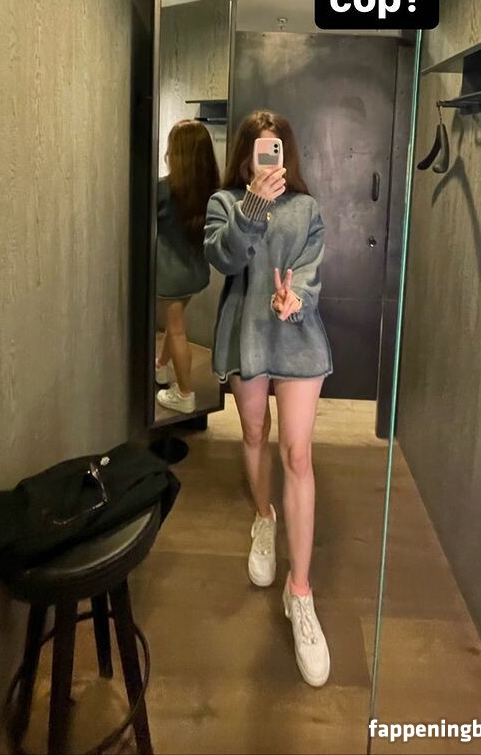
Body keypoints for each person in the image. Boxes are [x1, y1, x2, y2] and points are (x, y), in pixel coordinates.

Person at [204, 109, 332, 687]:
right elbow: (224, 259)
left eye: (275, 149)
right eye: (259, 149)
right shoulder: (225, 203)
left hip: (296, 333)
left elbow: (311, 268)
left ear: (287, 153)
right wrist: (252, 206)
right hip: (246, 332)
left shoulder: (306, 208)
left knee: (298, 454)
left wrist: (295, 297)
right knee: (254, 431)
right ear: (245, 155)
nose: (268, 158)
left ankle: (299, 591)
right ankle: (264, 517)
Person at [156, 120, 220, 415]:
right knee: (176, 324)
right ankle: (160, 366)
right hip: (196, 272)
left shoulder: (162, 190)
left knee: (177, 330)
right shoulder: (213, 192)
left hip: (171, 274)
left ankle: (185, 393)